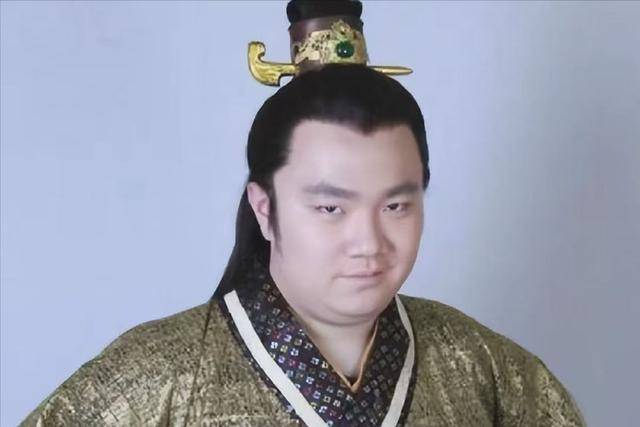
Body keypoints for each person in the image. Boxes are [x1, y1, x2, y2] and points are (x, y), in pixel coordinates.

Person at [21, 1, 585, 426]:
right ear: (264, 210)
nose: (369, 242)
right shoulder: (157, 377)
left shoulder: (484, 368)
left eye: (395, 204)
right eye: (331, 207)